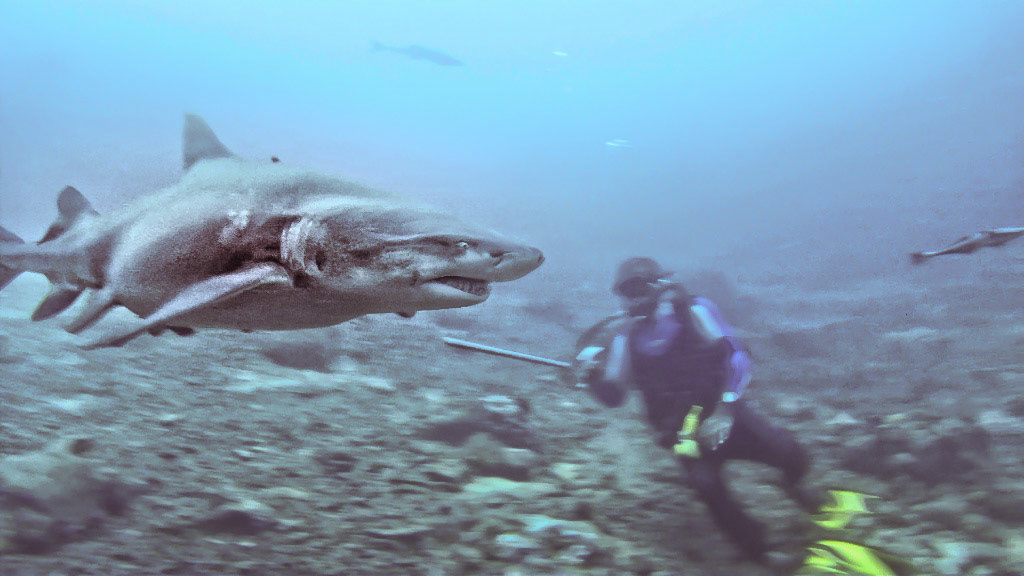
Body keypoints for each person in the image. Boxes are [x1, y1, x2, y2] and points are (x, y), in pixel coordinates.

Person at [575, 257, 821, 565]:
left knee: (789, 453)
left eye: (639, 288)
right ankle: (760, 551)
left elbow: (737, 357)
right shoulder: (627, 336)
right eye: (627, 292)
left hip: (725, 416)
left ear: (658, 285)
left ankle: (794, 484)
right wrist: (590, 377)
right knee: (708, 488)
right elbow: (614, 395)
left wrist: (725, 411)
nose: (634, 299)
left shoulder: (695, 310)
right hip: (683, 434)